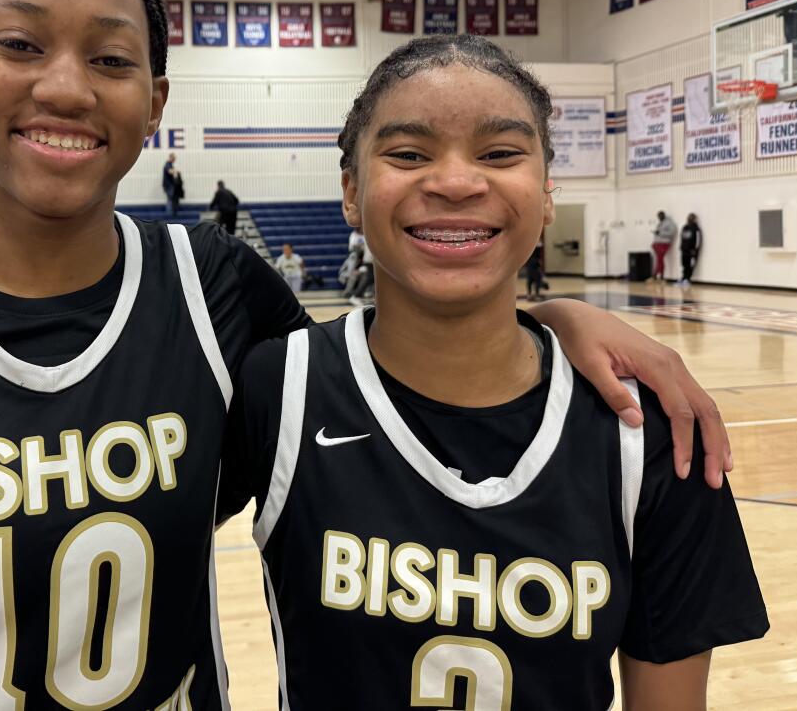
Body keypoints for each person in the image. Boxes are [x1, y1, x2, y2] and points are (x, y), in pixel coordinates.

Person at [0, 0, 728, 711]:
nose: (65, 87)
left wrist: (552, 318)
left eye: (111, 61)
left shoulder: (217, 290)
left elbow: (405, 375)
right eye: (20, 45)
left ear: (154, 103)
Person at [219, 35, 767, 710]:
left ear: (544, 195)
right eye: (409, 154)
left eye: (500, 153)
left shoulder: (651, 431)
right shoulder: (278, 389)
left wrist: (554, 314)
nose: (455, 182)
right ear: (352, 193)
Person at [651, 210, 677, 281]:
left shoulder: (669, 223)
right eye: (658, 216)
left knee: (660, 259)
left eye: (660, 216)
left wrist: (660, 232)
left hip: (664, 244)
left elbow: (671, 233)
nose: (659, 218)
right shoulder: (660, 223)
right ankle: (658, 275)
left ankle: (657, 274)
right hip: (657, 243)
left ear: (663, 215)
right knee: (659, 259)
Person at [680, 213, 702, 287]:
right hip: (684, 250)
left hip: (691, 251)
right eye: (689, 217)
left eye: (691, 218)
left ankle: (688, 279)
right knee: (684, 264)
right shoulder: (685, 227)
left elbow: (698, 240)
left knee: (690, 265)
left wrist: (695, 249)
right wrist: (681, 247)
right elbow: (682, 238)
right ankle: (683, 278)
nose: (689, 219)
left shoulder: (696, 229)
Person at [524, 233, 546, 301]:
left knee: (530, 280)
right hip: (534, 263)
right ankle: (536, 294)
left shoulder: (530, 243)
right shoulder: (536, 243)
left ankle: (530, 294)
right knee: (536, 279)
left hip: (530, 263)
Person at [162, 152, 180, 216]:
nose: (175, 160)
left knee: (170, 198)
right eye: (174, 158)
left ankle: (169, 212)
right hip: (168, 185)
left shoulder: (170, 164)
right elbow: (169, 171)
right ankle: (169, 214)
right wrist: (175, 171)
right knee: (170, 198)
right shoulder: (168, 164)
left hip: (169, 184)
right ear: (171, 158)